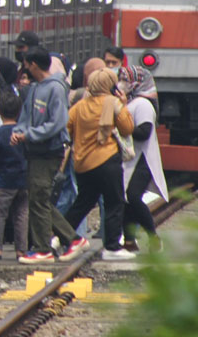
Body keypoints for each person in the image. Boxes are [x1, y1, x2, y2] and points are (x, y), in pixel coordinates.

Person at [11, 46, 90, 264]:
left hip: (48, 151)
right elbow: (26, 116)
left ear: (34, 65)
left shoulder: (55, 88)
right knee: (39, 198)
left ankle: (45, 247)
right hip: (35, 150)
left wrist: (29, 134)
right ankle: (70, 240)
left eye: (27, 65)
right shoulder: (37, 88)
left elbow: (57, 123)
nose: (24, 69)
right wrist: (19, 132)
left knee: (39, 198)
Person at [62, 68, 134, 260]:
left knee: (83, 202)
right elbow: (127, 128)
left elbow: (66, 130)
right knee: (115, 201)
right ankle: (111, 246)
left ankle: (61, 235)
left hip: (83, 163)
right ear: (110, 84)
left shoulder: (79, 106)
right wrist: (124, 105)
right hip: (107, 160)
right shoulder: (113, 103)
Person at [118, 66, 167, 251]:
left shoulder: (143, 105)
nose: (122, 83)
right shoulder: (130, 102)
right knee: (127, 198)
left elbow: (144, 132)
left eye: (126, 80)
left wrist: (123, 128)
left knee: (131, 196)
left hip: (143, 159)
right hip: (130, 159)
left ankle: (152, 235)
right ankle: (129, 241)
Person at [0, 92, 29, 260]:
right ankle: (22, 250)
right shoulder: (24, 133)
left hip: (4, 181)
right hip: (24, 180)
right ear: (19, 111)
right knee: (22, 215)